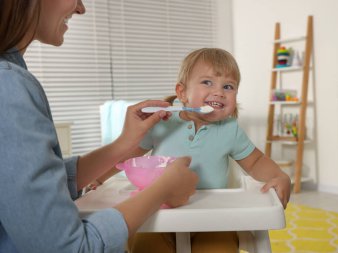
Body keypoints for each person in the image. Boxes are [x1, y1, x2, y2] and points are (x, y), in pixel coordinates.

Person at [0, 1, 198, 253]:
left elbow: (23, 189)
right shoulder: (8, 86)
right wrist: (163, 189)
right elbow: (69, 248)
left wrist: (122, 144)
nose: (81, 8)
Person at [96, 48, 291, 252]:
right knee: (146, 246)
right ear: (182, 93)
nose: (219, 92)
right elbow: (128, 156)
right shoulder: (162, 124)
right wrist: (99, 177)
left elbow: (255, 161)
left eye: (228, 86)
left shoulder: (230, 129)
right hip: (159, 213)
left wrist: (278, 175)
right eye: (207, 82)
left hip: (214, 217)